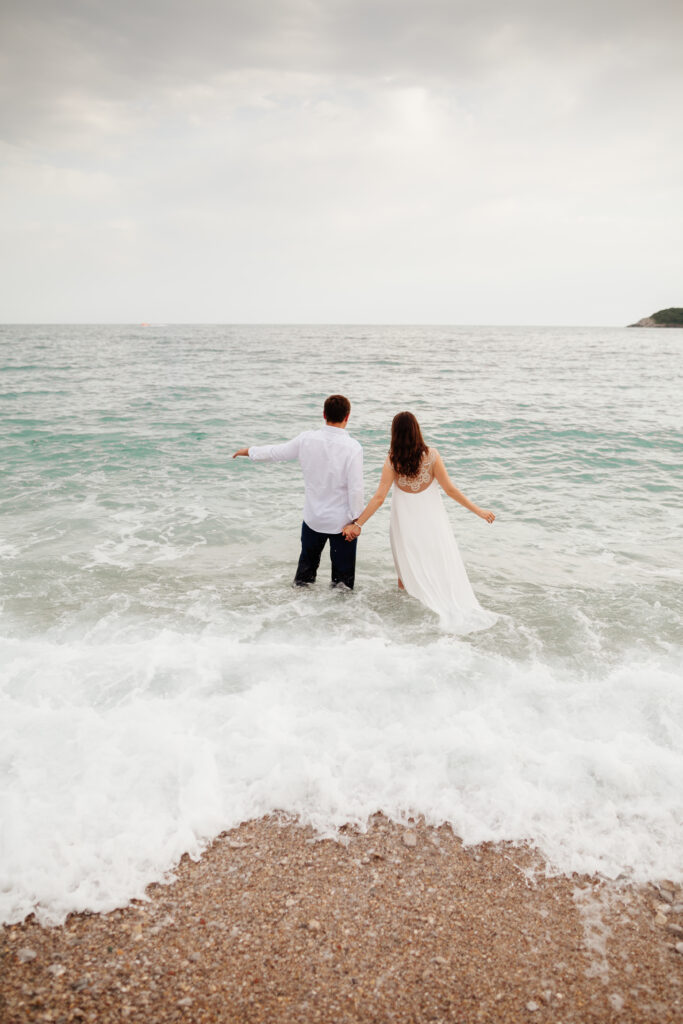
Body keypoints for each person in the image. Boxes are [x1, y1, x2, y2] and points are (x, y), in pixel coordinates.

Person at [342, 411, 496, 630]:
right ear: (416, 430)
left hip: (403, 522)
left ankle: (408, 618)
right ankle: (429, 610)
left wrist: (358, 524)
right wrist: (478, 511)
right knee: (435, 562)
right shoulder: (432, 455)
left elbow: (379, 497)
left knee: (404, 571)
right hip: (431, 520)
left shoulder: (392, 459)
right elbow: (450, 490)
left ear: (394, 433)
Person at [233, 395, 364, 588]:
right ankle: (340, 617)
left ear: (324, 414)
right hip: (342, 524)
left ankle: (298, 613)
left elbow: (276, 453)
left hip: (313, 520)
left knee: (304, 578)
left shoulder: (307, 439)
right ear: (347, 417)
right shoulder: (353, 448)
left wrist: (249, 451)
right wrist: (356, 521)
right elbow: (356, 488)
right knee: (342, 585)